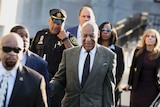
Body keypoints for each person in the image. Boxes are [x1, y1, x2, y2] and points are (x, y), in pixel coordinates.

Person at [50, 21, 116, 107]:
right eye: (85, 36)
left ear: (98, 34)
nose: (88, 39)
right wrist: (44, 88)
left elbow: (108, 90)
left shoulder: (108, 56)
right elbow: (59, 80)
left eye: (92, 36)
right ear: (81, 34)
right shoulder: (68, 54)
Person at [30, 8, 78, 107]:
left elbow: (76, 56)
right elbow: (31, 55)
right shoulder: (41, 34)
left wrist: (65, 40)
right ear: (49, 20)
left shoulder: (70, 38)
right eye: (54, 22)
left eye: (59, 23)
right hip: (38, 80)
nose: (56, 26)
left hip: (57, 85)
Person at [0, 33, 48, 107]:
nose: (12, 53)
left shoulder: (35, 80)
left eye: (17, 50)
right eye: (7, 49)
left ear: (22, 51)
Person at [10, 25, 50, 106]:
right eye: (21, 36)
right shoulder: (4, 59)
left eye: (27, 36)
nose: (24, 39)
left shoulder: (40, 63)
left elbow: (45, 93)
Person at [124, 29, 160, 107]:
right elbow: (132, 68)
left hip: (152, 88)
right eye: (147, 36)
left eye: (152, 36)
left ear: (156, 40)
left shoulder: (158, 54)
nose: (150, 38)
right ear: (144, 38)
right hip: (138, 87)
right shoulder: (138, 51)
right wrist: (129, 83)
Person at [98, 22, 125, 106]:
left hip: (112, 89)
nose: (105, 32)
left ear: (112, 32)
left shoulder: (118, 51)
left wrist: (113, 87)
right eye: (103, 30)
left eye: (108, 30)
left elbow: (120, 71)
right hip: (95, 88)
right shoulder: (95, 48)